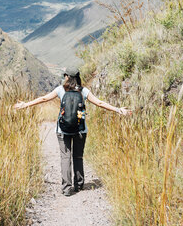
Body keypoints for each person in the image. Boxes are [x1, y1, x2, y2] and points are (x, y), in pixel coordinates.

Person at [14, 66, 131, 196]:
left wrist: (25, 105)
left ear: (67, 77)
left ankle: (66, 188)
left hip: (62, 130)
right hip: (80, 130)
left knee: (65, 157)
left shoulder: (60, 90)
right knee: (78, 156)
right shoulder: (84, 91)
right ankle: (79, 184)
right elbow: (100, 103)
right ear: (78, 77)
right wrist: (117, 109)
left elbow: (43, 99)